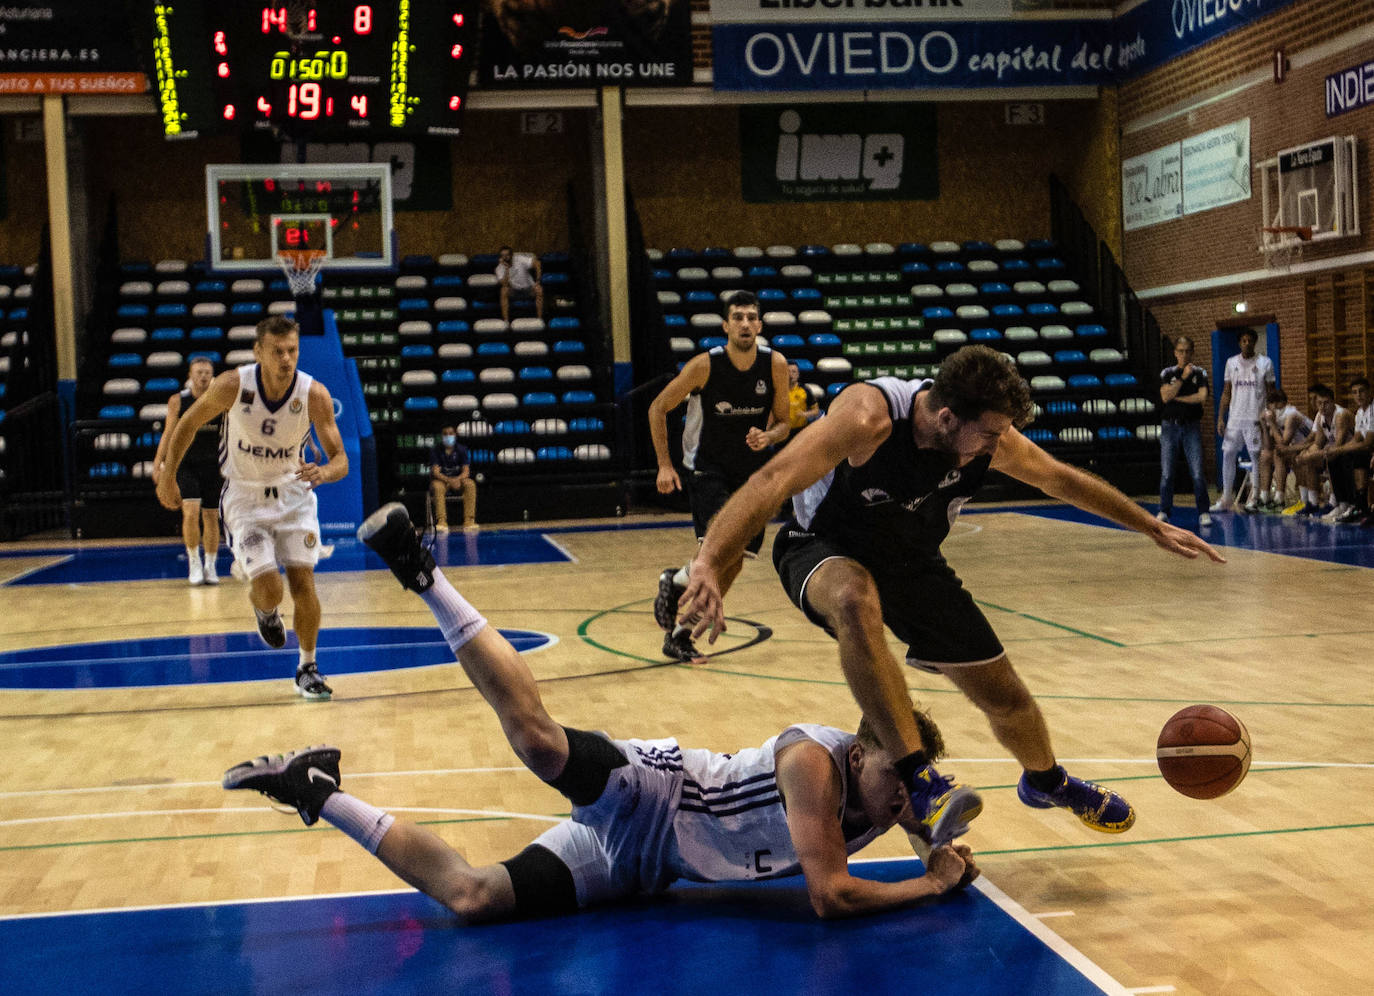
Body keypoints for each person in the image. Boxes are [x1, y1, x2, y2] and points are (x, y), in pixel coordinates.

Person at [223, 502, 980, 923]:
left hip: (648, 866)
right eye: (897, 776)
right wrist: (934, 884)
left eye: (911, 783)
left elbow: (923, 827)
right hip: (661, 789)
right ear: (858, 750)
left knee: (472, 897)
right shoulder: (814, 763)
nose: (904, 795)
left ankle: (317, 787)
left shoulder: (895, 784)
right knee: (540, 744)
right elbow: (831, 893)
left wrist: (937, 845)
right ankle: (423, 572)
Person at [676, 345, 1225, 841]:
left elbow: (1057, 478)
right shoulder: (869, 418)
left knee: (1004, 695)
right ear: (945, 417)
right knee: (854, 602)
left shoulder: (988, 436)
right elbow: (770, 482)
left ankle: (1047, 780)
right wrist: (706, 560)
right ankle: (920, 780)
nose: (998, 444)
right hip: (822, 544)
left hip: (912, 561)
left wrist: (1150, 526)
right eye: (988, 434)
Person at [156, 316, 348, 700]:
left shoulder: (314, 395)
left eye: (292, 350)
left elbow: (340, 458)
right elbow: (187, 425)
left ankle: (307, 667)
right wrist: (167, 475)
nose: (286, 359)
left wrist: (324, 472)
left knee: (303, 584)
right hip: (245, 497)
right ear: (258, 352)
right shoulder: (231, 385)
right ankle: (265, 611)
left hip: (294, 496)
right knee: (270, 587)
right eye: (277, 351)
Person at [648, 290, 792, 662]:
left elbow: (784, 423)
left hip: (752, 474)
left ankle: (679, 613)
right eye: (738, 317)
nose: (745, 323)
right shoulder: (704, 366)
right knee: (714, 552)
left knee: (736, 559)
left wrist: (769, 435)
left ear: (759, 325)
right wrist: (665, 464)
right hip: (707, 469)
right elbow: (658, 408)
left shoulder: (774, 364)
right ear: (726, 326)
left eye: (751, 317)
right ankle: (679, 584)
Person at [153, 355, 225, 585]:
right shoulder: (178, 401)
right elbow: (168, 433)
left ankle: (211, 565)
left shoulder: (221, 400)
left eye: (206, 372)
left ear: (212, 376)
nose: (203, 376)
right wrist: (158, 463)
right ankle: (194, 562)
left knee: (212, 516)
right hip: (187, 464)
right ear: (190, 376)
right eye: (199, 372)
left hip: (214, 464)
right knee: (191, 512)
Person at [1211, 329, 1275, 514]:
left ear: (1255, 343)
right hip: (1235, 418)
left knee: (1255, 456)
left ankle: (1253, 498)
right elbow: (1226, 392)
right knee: (1228, 454)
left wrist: (1270, 415)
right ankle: (1227, 498)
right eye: (1243, 340)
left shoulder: (1265, 363)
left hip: (1255, 417)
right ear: (1240, 343)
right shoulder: (1231, 363)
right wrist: (1221, 417)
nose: (1247, 343)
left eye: (1250, 340)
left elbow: (1271, 392)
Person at [1156, 335, 1212, 528]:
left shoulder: (1201, 373)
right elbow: (1165, 396)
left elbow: (1202, 397)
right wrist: (1182, 378)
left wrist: (1178, 398)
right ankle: (1164, 510)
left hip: (1191, 426)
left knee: (1197, 472)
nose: (1184, 354)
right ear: (1175, 353)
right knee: (1167, 472)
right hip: (1169, 427)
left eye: (1187, 351)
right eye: (1180, 351)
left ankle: (1204, 511)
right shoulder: (1167, 373)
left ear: (1192, 352)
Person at [1293, 383, 1356, 521]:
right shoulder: (1320, 416)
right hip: (1338, 452)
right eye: (1319, 403)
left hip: (1352, 451)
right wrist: (1305, 454)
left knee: (1333, 457)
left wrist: (1310, 455)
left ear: (1333, 402)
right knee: (1311, 458)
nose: (1322, 407)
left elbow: (1338, 445)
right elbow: (1318, 443)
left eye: (1326, 403)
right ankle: (1315, 502)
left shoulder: (1340, 415)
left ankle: (1340, 503)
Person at [1256, 387, 1313, 512]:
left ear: (1277, 404)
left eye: (1272, 404)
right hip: (1295, 448)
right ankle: (1264, 496)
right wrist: (1264, 426)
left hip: (1310, 446)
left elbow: (1283, 443)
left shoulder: (1290, 415)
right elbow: (1267, 445)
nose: (1270, 408)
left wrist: (1271, 423)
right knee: (1265, 454)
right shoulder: (1276, 416)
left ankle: (1279, 498)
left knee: (1279, 453)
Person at [430, 425, 477, 533]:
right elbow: (436, 472)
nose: (448, 436)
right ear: (442, 436)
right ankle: (441, 521)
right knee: (437, 486)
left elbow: (466, 471)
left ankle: (469, 520)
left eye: (450, 433)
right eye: (445, 434)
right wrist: (449, 480)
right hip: (442, 481)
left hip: (458, 481)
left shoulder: (462, 449)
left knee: (470, 484)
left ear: (455, 435)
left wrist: (457, 480)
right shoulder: (435, 450)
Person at [496, 246, 543, 324]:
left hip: (529, 289)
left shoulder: (519, 259)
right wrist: (507, 269)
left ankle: (539, 319)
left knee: (539, 289)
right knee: (503, 290)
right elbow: (504, 284)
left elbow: (537, 263)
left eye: (507, 255)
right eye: (503, 255)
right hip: (514, 291)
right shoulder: (499, 268)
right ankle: (506, 321)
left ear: (511, 255)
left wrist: (538, 280)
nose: (505, 257)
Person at [787, 361, 820, 432]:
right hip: (783, 431)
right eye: (788, 372)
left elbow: (816, 411)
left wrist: (804, 414)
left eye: (794, 372)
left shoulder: (805, 390)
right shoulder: (779, 390)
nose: (791, 375)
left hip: (800, 430)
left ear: (798, 374)